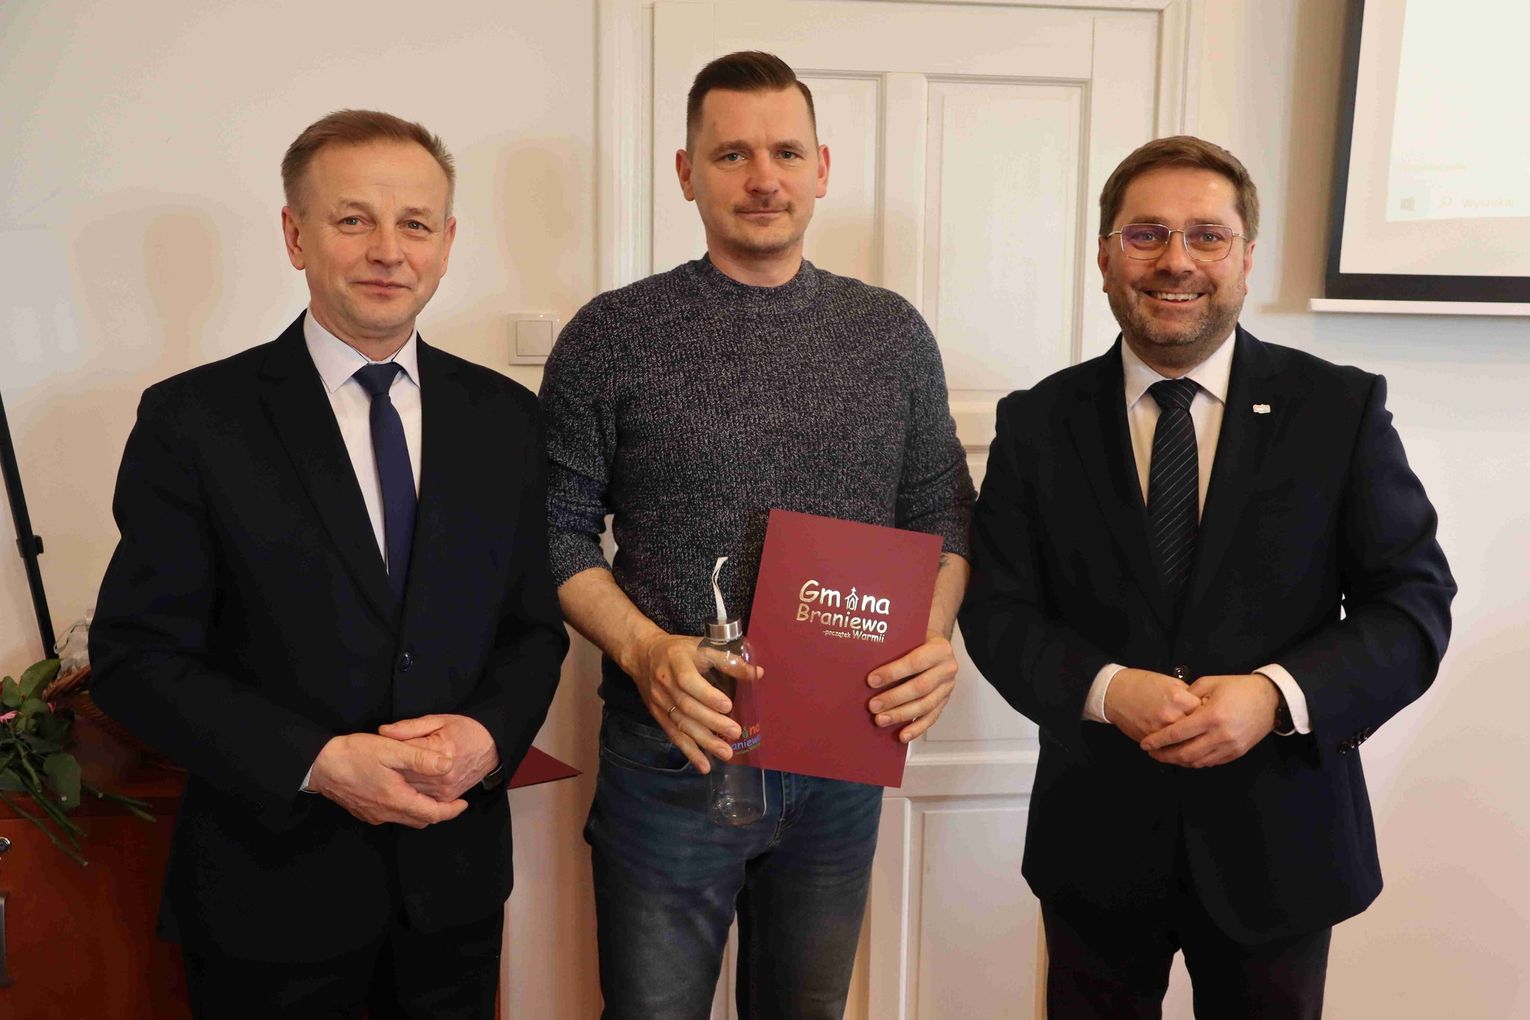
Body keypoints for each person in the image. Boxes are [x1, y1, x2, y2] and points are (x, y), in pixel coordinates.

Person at [958, 134, 1455, 1018]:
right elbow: (998, 611)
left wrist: (1274, 695)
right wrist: (1107, 690)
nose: (1176, 261)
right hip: (1095, 850)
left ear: (1246, 257)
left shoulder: (1339, 408)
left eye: (1207, 236)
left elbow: (1411, 607)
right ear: (1104, 255)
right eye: (1145, 234)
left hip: (1283, 851)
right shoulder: (1037, 421)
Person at [89, 109, 567, 1018]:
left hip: (452, 896)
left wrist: (488, 738)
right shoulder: (194, 421)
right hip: (268, 903)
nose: (388, 250)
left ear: (447, 243)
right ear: (294, 235)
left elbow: (532, 631)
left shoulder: (506, 419)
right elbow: (135, 659)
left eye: (415, 223)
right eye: (354, 219)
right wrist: (315, 761)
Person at [539, 51, 974, 1019]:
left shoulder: (891, 335)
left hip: (840, 753)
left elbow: (942, 513)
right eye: (731, 154)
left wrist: (933, 638)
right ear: (686, 173)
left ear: (823, 168)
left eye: (786, 153)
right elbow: (556, 532)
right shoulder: (612, 335)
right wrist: (645, 650)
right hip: (674, 751)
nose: (763, 178)